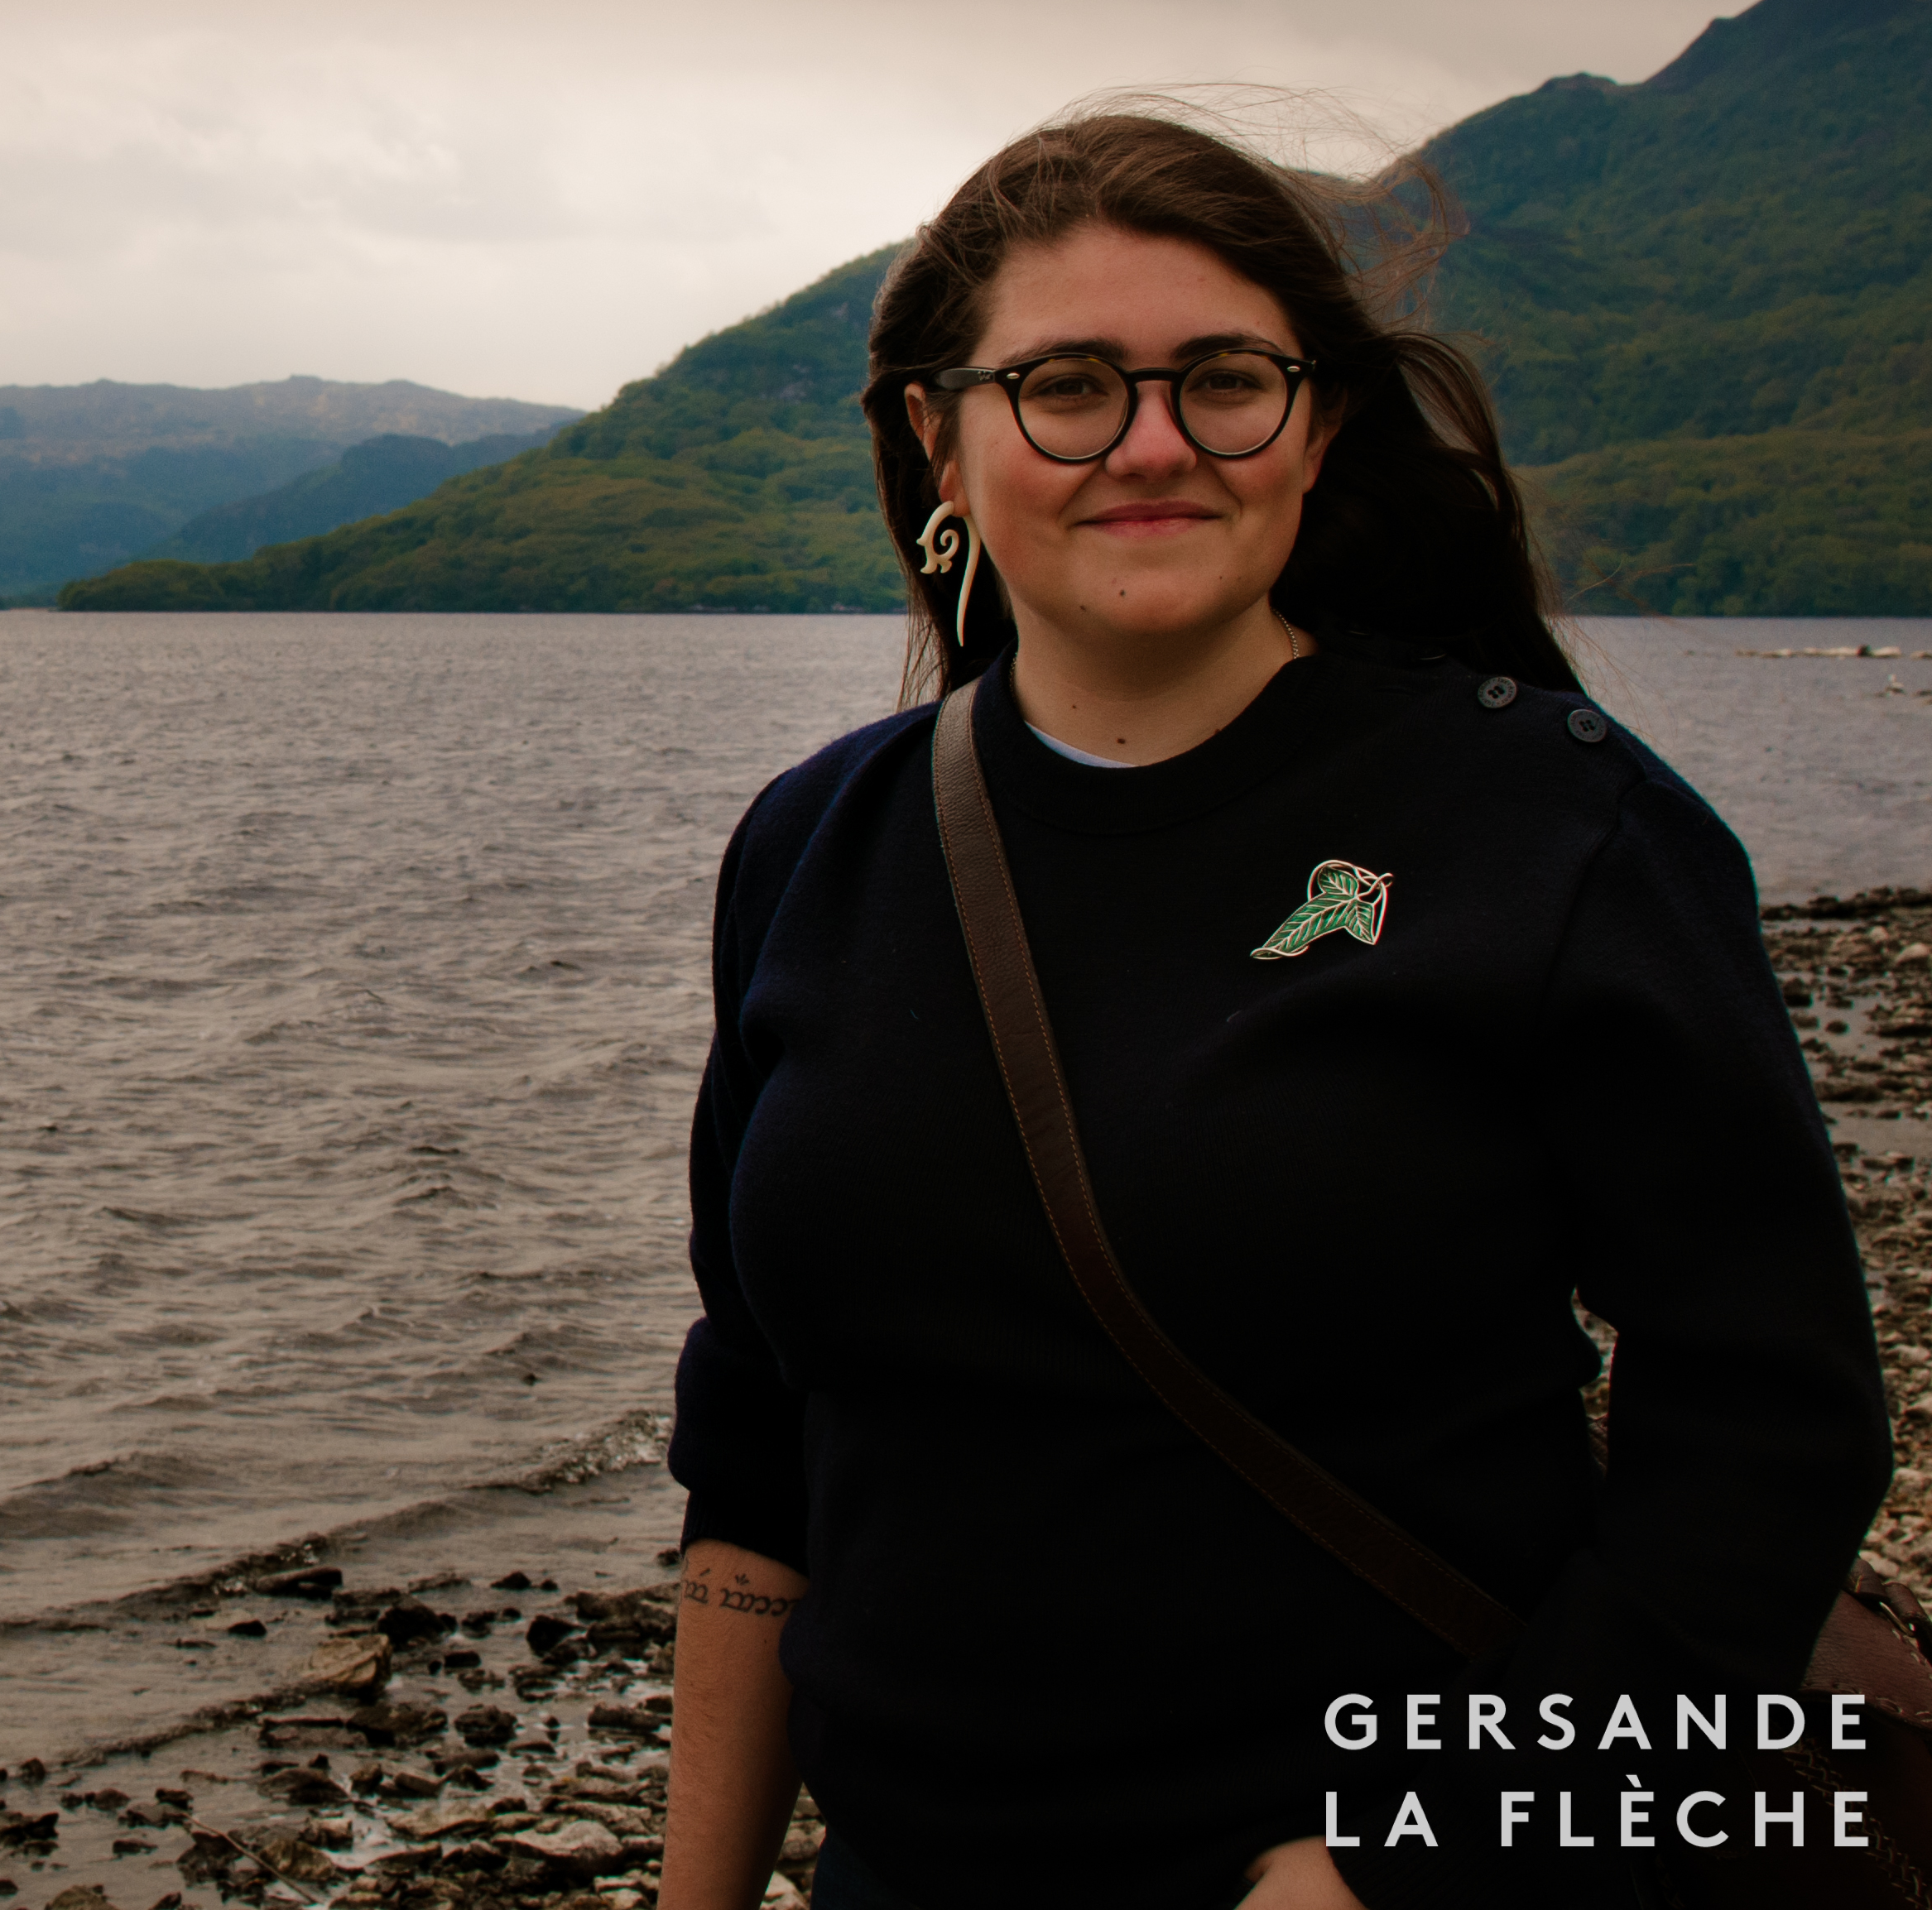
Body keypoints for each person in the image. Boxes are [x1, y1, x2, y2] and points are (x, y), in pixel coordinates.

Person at [652, 110, 1891, 1910]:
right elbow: (759, 1423)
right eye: (1064, 385)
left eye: (1219, 379)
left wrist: (1404, 1852)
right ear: (936, 431)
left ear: (1309, 423)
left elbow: (1771, 1422)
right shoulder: (816, 845)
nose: (1148, 444)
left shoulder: (1548, 826)